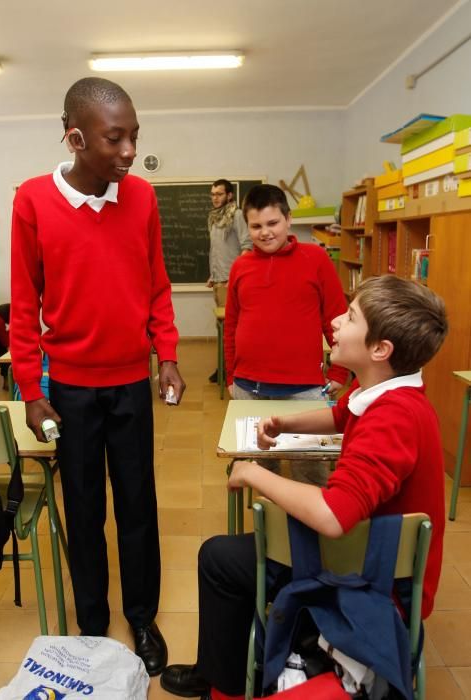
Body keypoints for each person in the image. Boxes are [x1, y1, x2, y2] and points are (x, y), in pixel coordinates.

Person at [160, 275, 448, 699]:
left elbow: (333, 515)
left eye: (350, 317)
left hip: (375, 579)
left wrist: (254, 472)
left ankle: (224, 683)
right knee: (235, 554)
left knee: (220, 559)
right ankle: (230, 664)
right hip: (370, 556)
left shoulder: (393, 419)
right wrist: (285, 423)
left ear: (380, 349)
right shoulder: (385, 390)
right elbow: (340, 416)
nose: (334, 321)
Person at [10, 77, 185, 676]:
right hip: (71, 391)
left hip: (131, 382)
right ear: (76, 137)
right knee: (83, 509)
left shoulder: (141, 199)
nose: (130, 151)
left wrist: (168, 356)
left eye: (135, 135)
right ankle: (91, 622)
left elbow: (157, 284)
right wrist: (32, 393)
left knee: (138, 503)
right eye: (116, 139)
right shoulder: (32, 200)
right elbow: (24, 300)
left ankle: (141, 615)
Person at [225, 184, 348, 403]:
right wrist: (230, 376)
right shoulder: (240, 266)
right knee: (248, 438)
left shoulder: (316, 258)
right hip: (247, 385)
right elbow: (231, 325)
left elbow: (337, 319)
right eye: (256, 226)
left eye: (273, 223)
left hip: (304, 387)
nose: (265, 232)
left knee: (307, 438)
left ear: (288, 219)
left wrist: (339, 371)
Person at [207, 178, 251, 383]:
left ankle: (232, 370)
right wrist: (213, 275)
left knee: (232, 330)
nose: (215, 198)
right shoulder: (215, 218)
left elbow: (246, 246)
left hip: (231, 283)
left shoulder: (237, 215)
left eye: (219, 194)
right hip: (219, 281)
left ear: (229, 195)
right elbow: (219, 251)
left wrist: (234, 277)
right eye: (213, 194)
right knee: (223, 329)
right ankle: (225, 367)